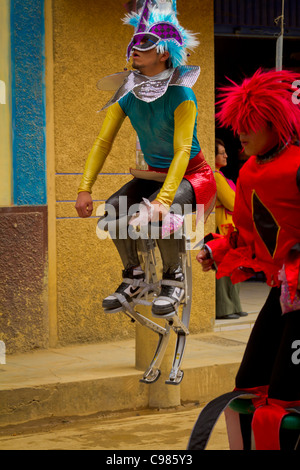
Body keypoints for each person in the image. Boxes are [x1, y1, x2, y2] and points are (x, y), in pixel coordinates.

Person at [75, 0, 216, 317]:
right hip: (153, 175)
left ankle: (173, 278)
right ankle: (134, 276)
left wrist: (164, 200)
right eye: (134, 42)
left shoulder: (183, 94)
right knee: (112, 209)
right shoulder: (127, 91)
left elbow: (182, 151)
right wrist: (85, 188)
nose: (135, 49)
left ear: (164, 52)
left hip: (192, 176)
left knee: (157, 216)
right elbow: (103, 141)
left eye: (145, 42)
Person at [190, 68, 300, 450]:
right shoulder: (250, 171)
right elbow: (245, 232)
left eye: (251, 124)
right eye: (239, 124)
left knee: (285, 403)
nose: (241, 133)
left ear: (276, 122)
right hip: (282, 292)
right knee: (247, 391)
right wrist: (216, 249)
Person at [214, 138, 247, 320]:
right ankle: (225, 308)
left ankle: (234, 305)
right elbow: (233, 202)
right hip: (223, 228)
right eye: (221, 152)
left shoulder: (221, 176)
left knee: (233, 268)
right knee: (225, 270)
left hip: (229, 228)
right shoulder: (216, 176)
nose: (226, 155)